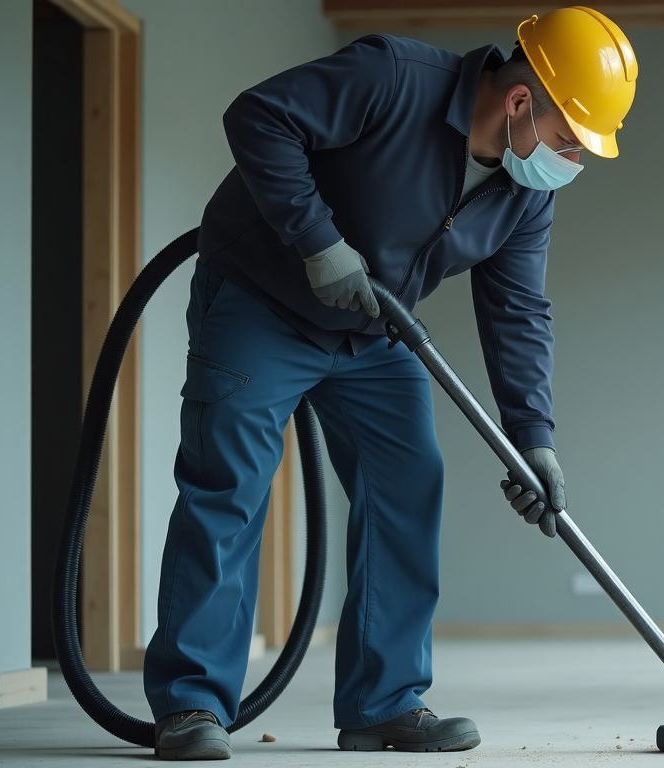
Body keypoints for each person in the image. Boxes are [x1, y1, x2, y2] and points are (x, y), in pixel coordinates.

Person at [141, 7, 638, 760]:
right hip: (261, 300)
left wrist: (533, 439)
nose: (570, 161)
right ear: (519, 102)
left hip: (373, 331)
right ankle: (190, 707)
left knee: (409, 481)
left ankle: (383, 703)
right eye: (569, 139)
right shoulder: (394, 78)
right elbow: (258, 118)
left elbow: (516, 309)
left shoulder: (526, 193)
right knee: (231, 485)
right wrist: (317, 241)